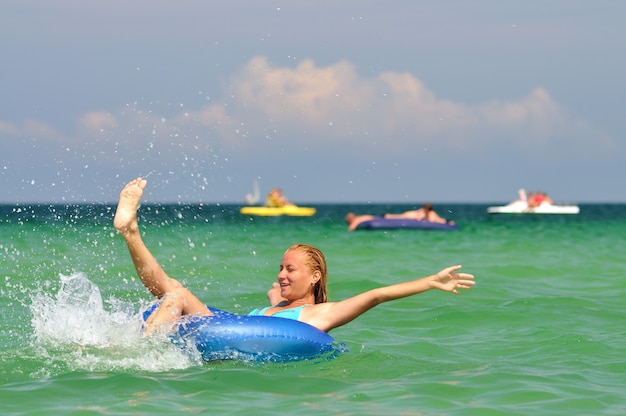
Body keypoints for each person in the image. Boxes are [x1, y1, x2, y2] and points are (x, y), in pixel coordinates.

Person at [115, 178, 475, 335]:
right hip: (225, 328)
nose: (282, 275)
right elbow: (274, 295)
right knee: (172, 290)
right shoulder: (274, 303)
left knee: (175, 292)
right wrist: (276, 294)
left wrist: (430, 281)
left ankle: (144, 351)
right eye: (280, 269)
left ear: (315, 276)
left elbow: (377, 295)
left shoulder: (323, 314)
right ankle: (130, 231)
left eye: (290, 269)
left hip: (235, 334)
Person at [345, 203, 453, 231]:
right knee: (400, 216)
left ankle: (387, 216)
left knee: (396, 216)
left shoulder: (429, 214)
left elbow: (438, 220)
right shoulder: (423, 212)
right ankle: (387, 216)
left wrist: (448, 222)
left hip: (399, 217)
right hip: (400, 216)